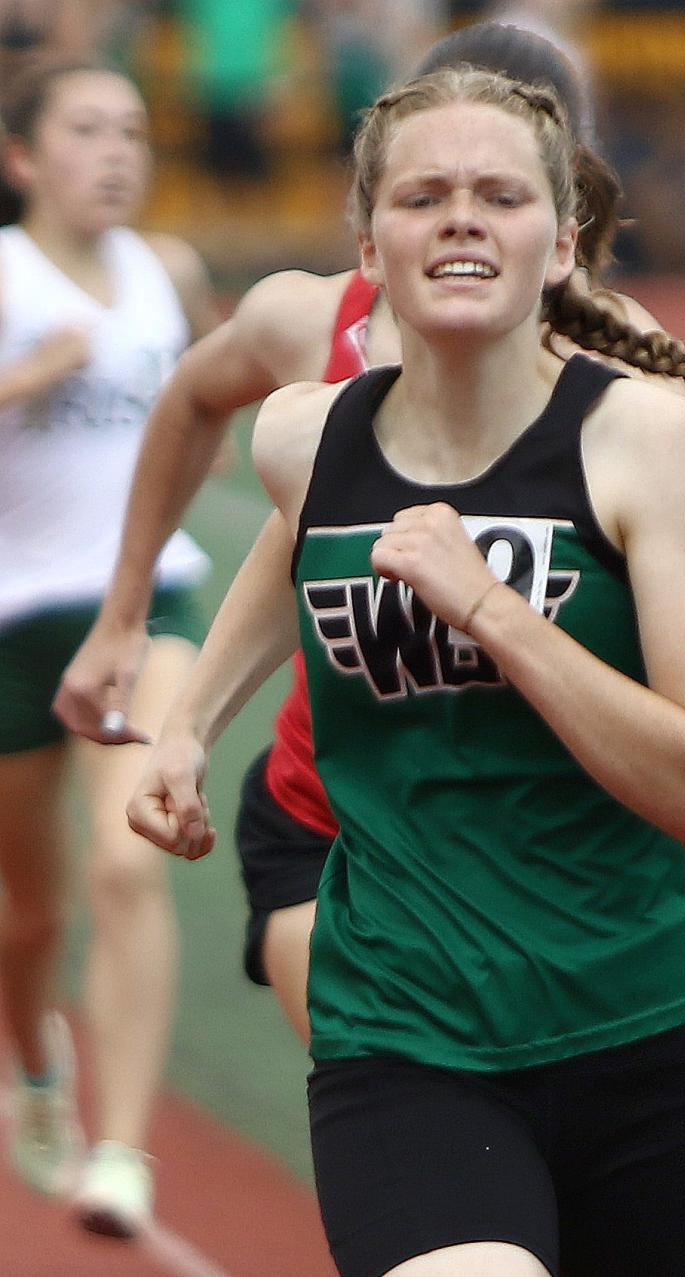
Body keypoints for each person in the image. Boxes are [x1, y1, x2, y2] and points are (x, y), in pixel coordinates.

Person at [128, 63, 685, 1277]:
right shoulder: (303, 434)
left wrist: (490, 605)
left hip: (641, 1023)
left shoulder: (646, 441)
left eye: (500, 194)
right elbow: (300, 539)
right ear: (369, 246)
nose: (462, 219)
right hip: (406, 1028)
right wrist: (187, 723)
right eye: (424, 196)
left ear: (563, 237)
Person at [0, 56, 218, 1236]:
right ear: (24, 156)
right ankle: (34, 1061)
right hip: (11, 623)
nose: (117, 151)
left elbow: (214, 405)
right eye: (86, 130)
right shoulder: (3, 277)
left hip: (144, 607)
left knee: (129, 856)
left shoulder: (165, 271)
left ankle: (121, 1148)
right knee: (28, 913)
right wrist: (28, 378)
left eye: (133, 129)